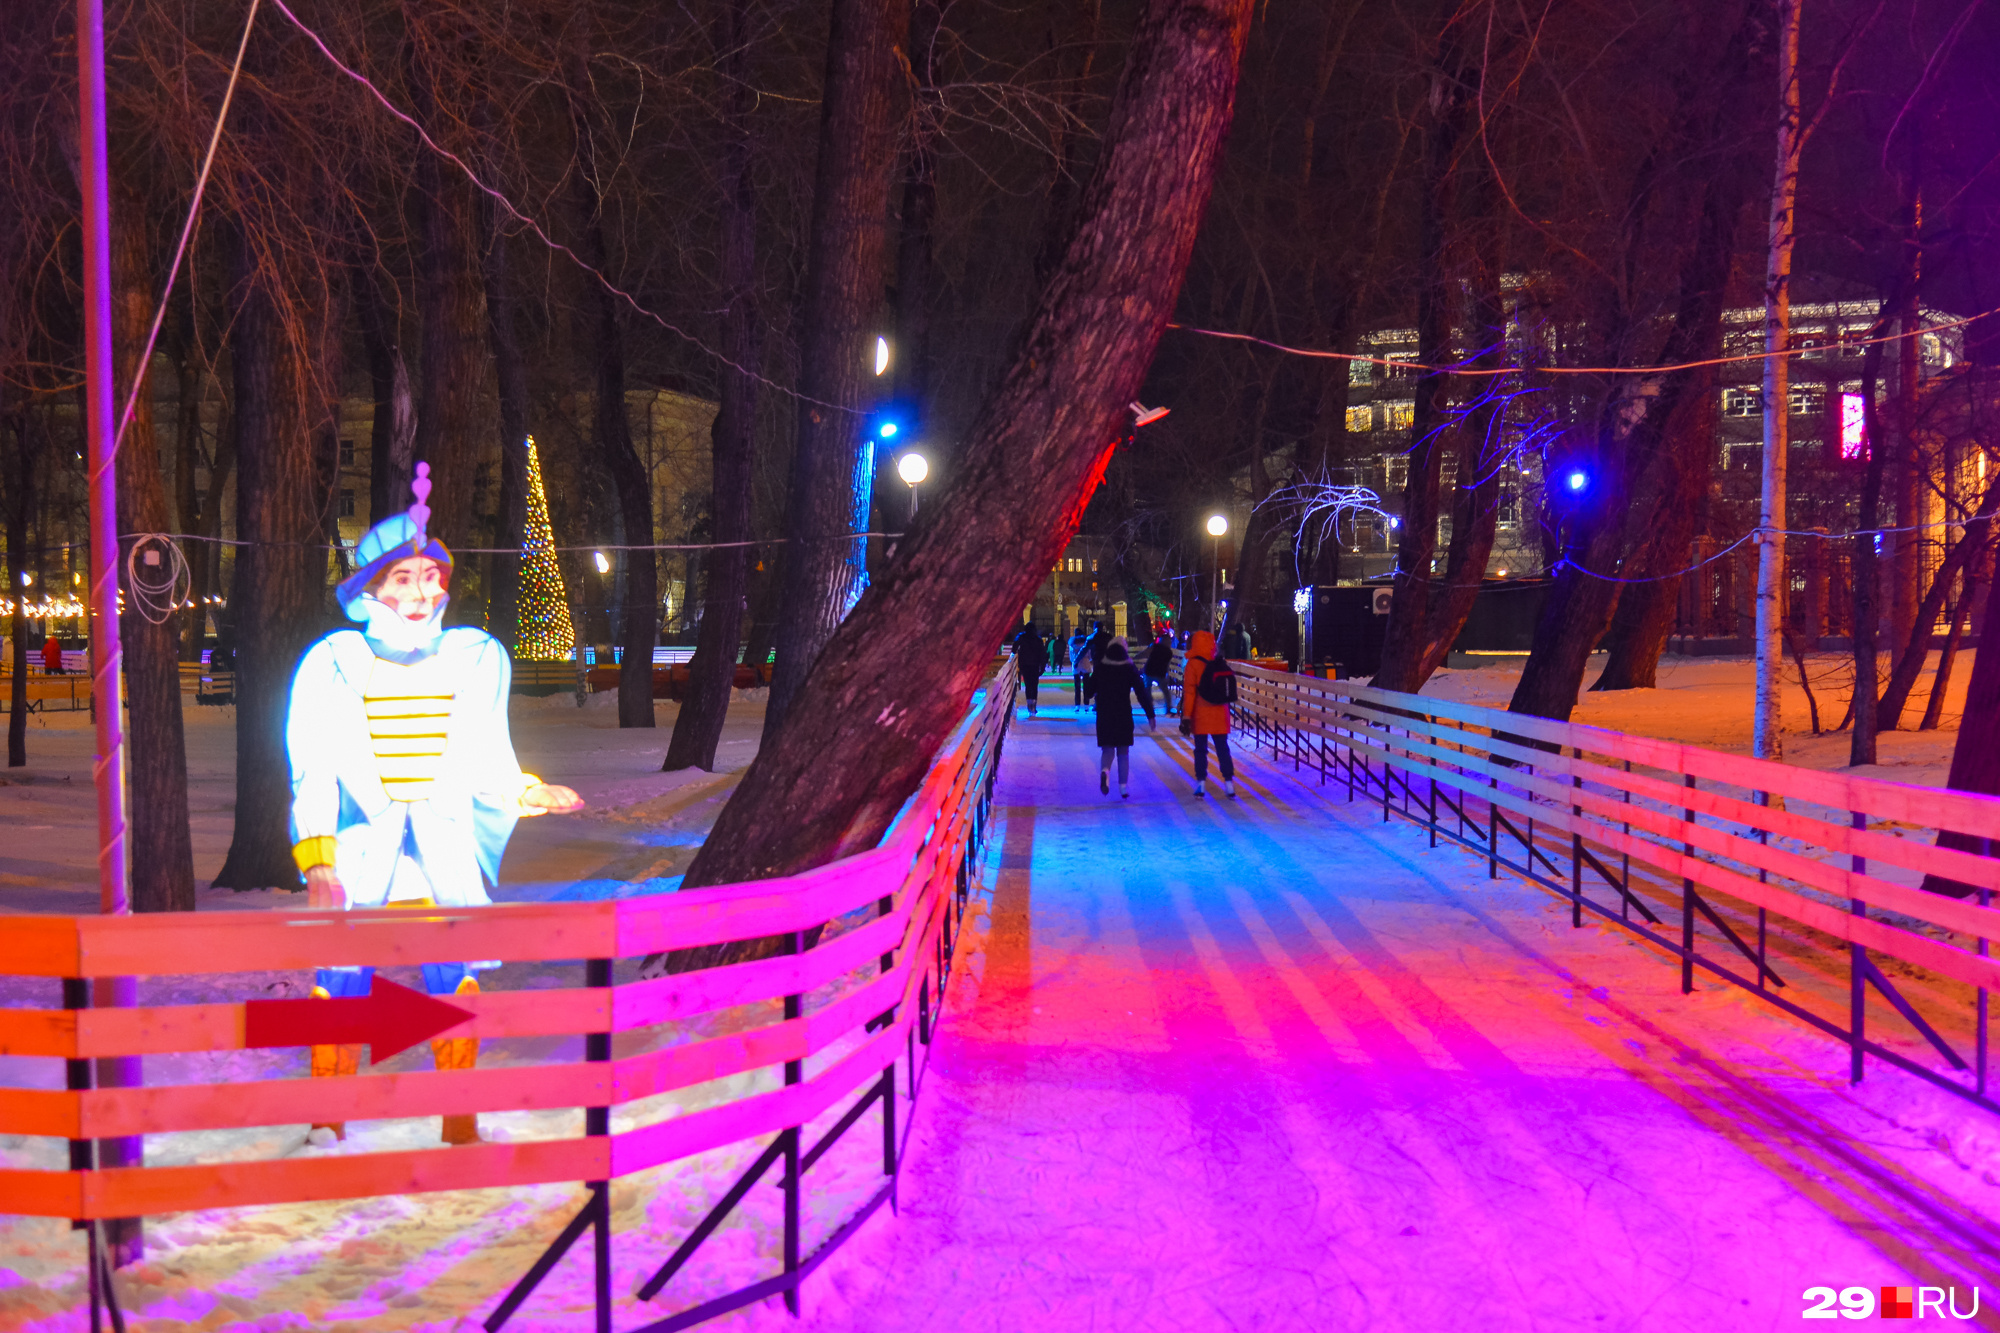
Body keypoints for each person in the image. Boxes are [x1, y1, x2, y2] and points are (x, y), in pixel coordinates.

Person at [287, 470, 584, 1146]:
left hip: (442, 848)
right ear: (370, 590)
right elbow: (314, 770)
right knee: (339, 980)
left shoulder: (474, 659)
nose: (421, 592)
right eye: (403, 578)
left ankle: (459, 1118)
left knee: (455, 979)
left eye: (430, 575)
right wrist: (318, 858)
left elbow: (486, 758)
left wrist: (523, 790)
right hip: (363, 850)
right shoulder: (330, 664)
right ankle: (328, 1120)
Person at [1091, 637, 1154, 797]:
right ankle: (1123, 788)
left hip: (1104, 713)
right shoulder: (1129, 667)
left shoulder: (1101, 666)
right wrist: (1150, 714)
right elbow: (1141, 692)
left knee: (1107, 749)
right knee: (1123, 752)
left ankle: (1105, 771)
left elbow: (1090, 690)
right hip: (1123, 713)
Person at [1180, 629, 1236, 799]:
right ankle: (1229, 784)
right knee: (1222, 749)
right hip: (1220, 713)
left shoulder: (1193, 665)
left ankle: (1201, 784)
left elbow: (1190, 694)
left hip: (1201, 714)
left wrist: (1186, 716)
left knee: (1200, 750)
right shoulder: (1218, 661)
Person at [1013, 623, 1048, 717]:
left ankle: (1029, 704)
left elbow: (1014, 647)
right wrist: (1043, 666)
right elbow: (1042, 654)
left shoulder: (1022, 637)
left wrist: (1015, 655)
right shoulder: (1038, 640)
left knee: (1028, 685)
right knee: (1034, 685)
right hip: (1035, 665)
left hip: (1025, 664)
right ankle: (1033, 705)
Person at [1142, 632, 1173, 719]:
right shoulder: (1168, 652)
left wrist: (1135, 657)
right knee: (1165, 692)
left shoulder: (1155, 646)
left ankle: (1150, 706)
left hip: (1150, 671)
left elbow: (1145, 653)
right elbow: (1167, 665)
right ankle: (1168, 708)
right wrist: (1167, 674)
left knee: (1147, 689)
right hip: (1159, 673)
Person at [1069, 624, 1092, 705]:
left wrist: (1074, 662)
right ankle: (1086, 704)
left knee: (1077, 687)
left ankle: (1077, 704)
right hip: (1086, 664)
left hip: (1076, 665)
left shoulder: (1072, 644)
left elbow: (1071, 657)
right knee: (1086, 686)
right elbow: (1090, 655)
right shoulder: (1086, 643)